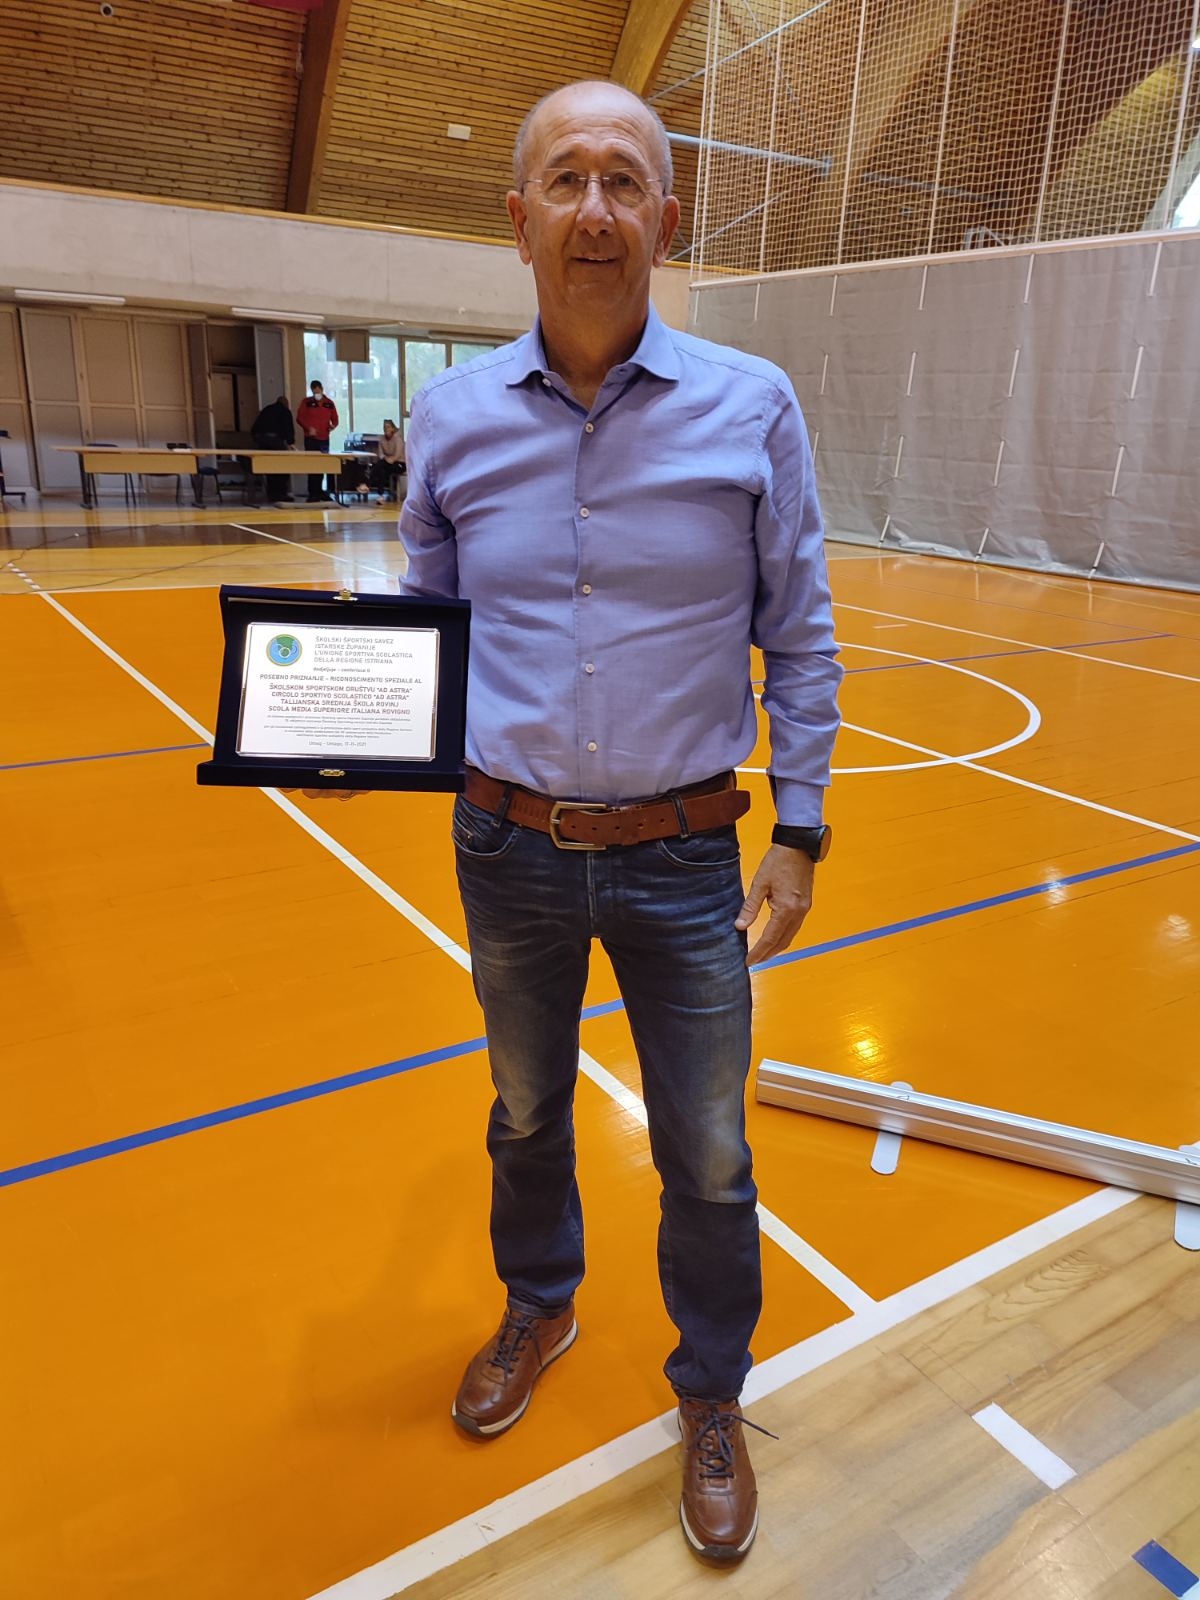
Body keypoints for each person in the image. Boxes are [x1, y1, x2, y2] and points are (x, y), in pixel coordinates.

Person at [296, 78, 841, 1567]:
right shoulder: (454, 419)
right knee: (526, 1110)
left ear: (667, 216)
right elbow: (425, 624)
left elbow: (801, 634)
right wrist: (346, 720)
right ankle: (541, 1304)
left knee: (709, 1152)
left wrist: (800, 832)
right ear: (518, 217)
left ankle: (712, 1389)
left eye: (623, 180)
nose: (594, 208)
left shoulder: (752, 406)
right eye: (566, 180)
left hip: (685, 857)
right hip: (509, 848)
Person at [296, 379, 339, 502]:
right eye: (314, 392)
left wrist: (333, 426)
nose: (317, 395)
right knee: (312, 465)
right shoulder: (306, 402)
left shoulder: (329, 403)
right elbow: (299, 418)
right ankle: (312, 492)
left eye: (318, 392)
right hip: (311, 439)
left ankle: (320, 491)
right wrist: (308, 428)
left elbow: (335, 419)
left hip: (324, 439)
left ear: (322, 389)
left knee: (322, 465)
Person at [250, 394, 296, 503]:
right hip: (276, 442)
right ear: (286, 404)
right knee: (282, 469)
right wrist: (291, 443)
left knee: (270, 469)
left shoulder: (266, 410)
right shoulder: (285, 411)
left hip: (262, 442)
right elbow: (288, 429)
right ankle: (281, 494)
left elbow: (254, 429)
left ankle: (271, 494)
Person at [367, 418, 406, 500]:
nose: (386, 429)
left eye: (388, 427)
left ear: (392, 429)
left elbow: (397, 455)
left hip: (399, 463)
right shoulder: (381, 439)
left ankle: (368, 484)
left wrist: (390, 460)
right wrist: (386, 459)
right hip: (386, 462)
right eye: (384, 427)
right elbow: (380, 453)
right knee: (382, 470)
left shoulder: (397, 439)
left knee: (380, 466)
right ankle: (380, 495)